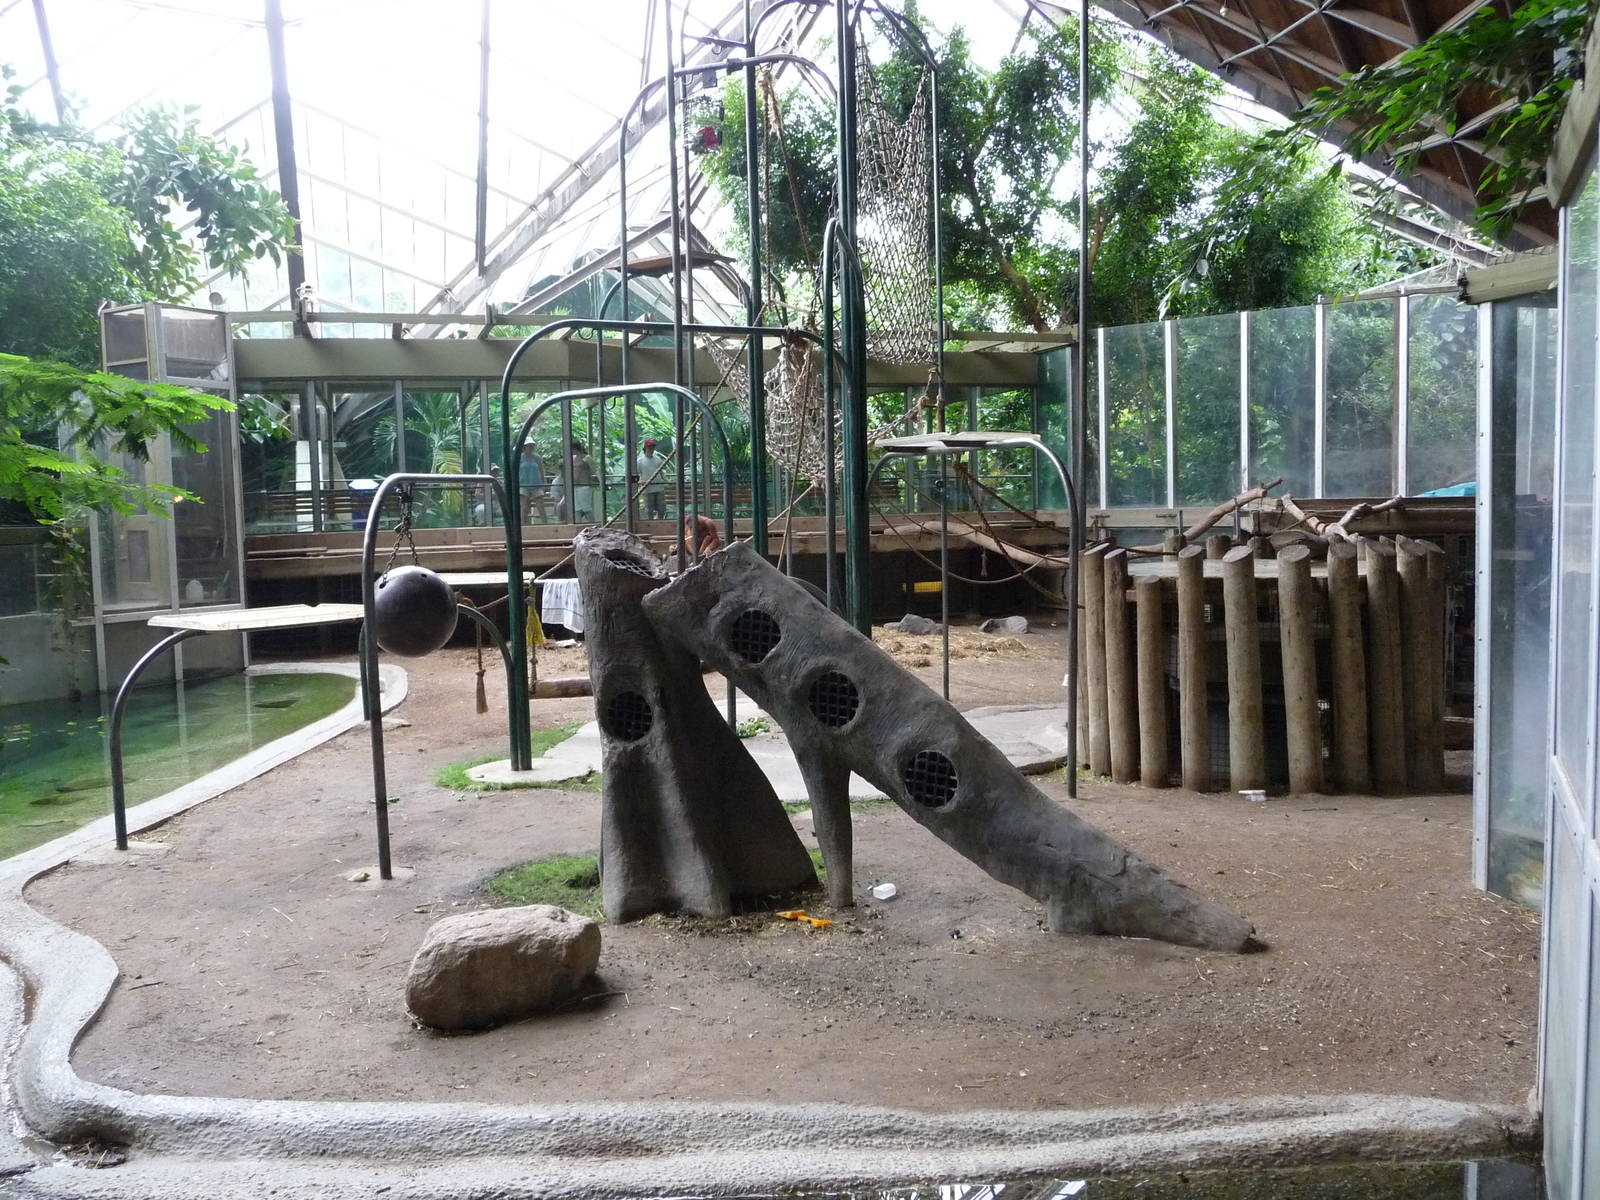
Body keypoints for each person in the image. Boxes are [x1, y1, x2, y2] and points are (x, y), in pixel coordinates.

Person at [635, 438, 668, 520]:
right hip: (647, 489)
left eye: (652, 447)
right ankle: (650, 523)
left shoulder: (658, 459)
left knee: (662, 508)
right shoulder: (640, 461)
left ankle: (660, 522)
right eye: (649, 447)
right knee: (649, 509)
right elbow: (636, 474)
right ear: (645, 448)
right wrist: (640, 481)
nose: (651, 449)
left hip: (659, 488)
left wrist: (665, 481)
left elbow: (662, 472)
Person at [517, 444, 548, 523]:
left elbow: (541, 470)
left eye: (532, 446)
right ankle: (522, 526)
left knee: (540, 506)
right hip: (523, 485)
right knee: (524, 507)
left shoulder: (537, 457)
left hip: (536, 484)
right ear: (524, 447)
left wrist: (543, 482)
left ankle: (545, 524)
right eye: (529, 446)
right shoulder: (519, 458)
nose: (531, 448)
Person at [568, 439, 597, 522]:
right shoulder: (573, 458)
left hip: (584, 486)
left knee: (586, 509)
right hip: (575, 487)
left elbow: (596, 470)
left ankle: (593, 525)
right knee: (577, 510)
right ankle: (579, 526)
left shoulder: (587, 458)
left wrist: (602, 482)